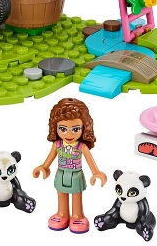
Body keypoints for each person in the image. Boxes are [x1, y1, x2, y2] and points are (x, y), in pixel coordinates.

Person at [33, 97, 107, 234]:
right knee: (61, 194)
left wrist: (96, 173)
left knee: (77, 196)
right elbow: (49, 158)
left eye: (75, 129)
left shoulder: (81, 147)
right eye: (62, 128)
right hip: (60, 173)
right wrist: (43, 167)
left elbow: (90, 161)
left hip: (76, 174)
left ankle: (78, 216)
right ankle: (62, 214)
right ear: (55, 127)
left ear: (84, 128)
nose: (68, 134)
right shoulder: (57, 145)